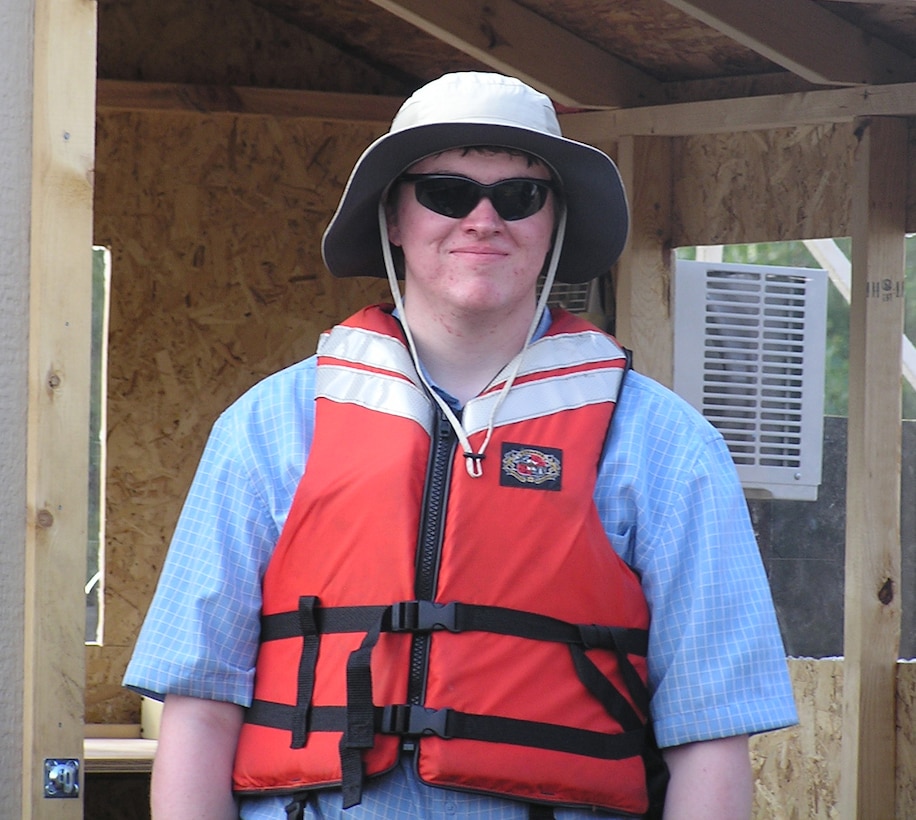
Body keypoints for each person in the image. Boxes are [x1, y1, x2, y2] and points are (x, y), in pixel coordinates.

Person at [124, 71, 798, 820]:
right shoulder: (266, 426)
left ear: (554, 223)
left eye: (520, 196)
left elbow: (711, 738)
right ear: (392, 218)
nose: (483, 219)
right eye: (446, 193)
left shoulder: (667, 445)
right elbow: (200, 707)